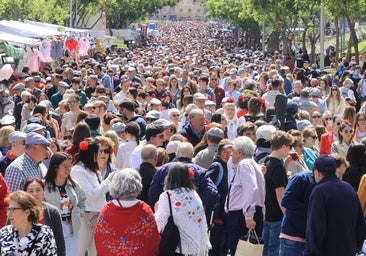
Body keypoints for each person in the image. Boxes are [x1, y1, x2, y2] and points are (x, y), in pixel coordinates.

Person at [304, 156, 366, 256]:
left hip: (327, 250)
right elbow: (360, 221)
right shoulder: (348, 187)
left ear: (317, 172)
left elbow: (315, 226)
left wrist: (311, 252)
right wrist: (357, 247)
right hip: (348, 249)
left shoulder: (319, 190)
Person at [95, 168, 160, 255]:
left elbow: (100, 238)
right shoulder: (145, 209)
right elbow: (153, 240)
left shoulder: (107, 209)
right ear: (137, 185)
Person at [70, 137, 115, 256]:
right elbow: (91, 195)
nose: (101, 154)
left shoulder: (92, 170)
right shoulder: (78, 170)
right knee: (78, 252)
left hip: (98, 216)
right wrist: (108, 180)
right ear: (91, 153)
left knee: (95, 253)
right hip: (86, 217)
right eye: (99, 151)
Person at [155, 162, 211, 255]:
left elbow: (160, 225)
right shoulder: (194, 194)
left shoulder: (167, 196)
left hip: (175, 245)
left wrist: (156, 210)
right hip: (194, 245)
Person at [148, 142, 219, 211]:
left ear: (176, 154)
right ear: (192, 155)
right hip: (191, 216)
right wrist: (197, 203)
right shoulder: (200, 172)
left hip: (167, 216)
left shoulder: (162, 170)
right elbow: (212, 194)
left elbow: (153, 195)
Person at [225, 136, 265, 255]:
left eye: (232, 151)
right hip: (246, 213)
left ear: (240, 152)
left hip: (242, 215)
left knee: (239, 251)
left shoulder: (244, 164)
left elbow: (251, 189)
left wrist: (249, 215)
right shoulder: (251, 164)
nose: (231, 154)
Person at [44, 152, 86, 256]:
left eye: (70, 166)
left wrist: (78, 214)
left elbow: (82, 201)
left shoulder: (74, 184)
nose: (68, 169)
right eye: (65, 166)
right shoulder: (44, 185)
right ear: (55, 167)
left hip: (72, 227)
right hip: (52, 229)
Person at [263, 130, 294, 256]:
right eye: (289, 146)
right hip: (276, 216)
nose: (289, 149)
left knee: (265, 249)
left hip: (266, 213)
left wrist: (286, 164)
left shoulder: (267, 161)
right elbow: (280, 195)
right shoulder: (278, 168)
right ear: (283, 146)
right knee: (274, 251)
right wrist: (288, 216)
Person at [0, 190, 57, 255]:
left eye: (13, 209)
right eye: (8, 209)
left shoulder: (44, 233)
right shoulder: (4, 232)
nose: (9, 214)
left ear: (27, 212)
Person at [23, 178, 65, 256]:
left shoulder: (53, 212)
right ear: (25, 194)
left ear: (44, 192)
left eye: (38, 190)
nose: (35, 194)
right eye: (31, 191)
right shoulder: (17, 211)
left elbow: (59, 239)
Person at [205, 139, 233, 256]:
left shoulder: (230, 167)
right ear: (219, 152)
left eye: (230, 153)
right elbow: (206, 186)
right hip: (217, 217)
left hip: (225, 217)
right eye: (225, 152)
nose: (227, 155)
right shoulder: (217, 167)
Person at [279, 170, 316, 256]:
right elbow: (286, 200)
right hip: (293, 238)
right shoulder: (301, 178)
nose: (339, 177)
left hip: (308, 240)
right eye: (339, 173)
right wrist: (311, 210)